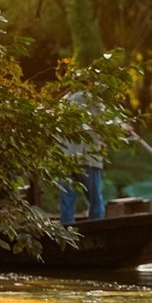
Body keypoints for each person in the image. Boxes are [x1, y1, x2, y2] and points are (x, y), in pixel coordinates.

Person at [58, 89, 107, 224]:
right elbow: (107, 120)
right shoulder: (89, 99)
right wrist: (122, 125)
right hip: (87, 159)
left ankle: (67, 236)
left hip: (65, 159)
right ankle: (98, 231)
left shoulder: (63, 102)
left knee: (66, 202)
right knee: (95, 200)